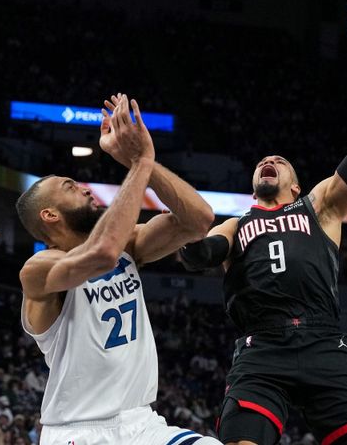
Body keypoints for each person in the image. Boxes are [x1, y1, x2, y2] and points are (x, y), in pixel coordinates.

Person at [179, 11, 347, 445]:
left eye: (278, 160)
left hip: (323, 342)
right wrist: (194, 249)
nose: (267, 160)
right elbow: (207, 251)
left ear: (294, 184)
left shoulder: (321, 207)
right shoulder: (237, 224)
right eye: (261, 161)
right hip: (262, 349)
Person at [16, 93, 221, 445]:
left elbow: (199, 220)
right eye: (70, 187)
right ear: (49, 215)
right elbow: (101, 255)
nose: (84, 187)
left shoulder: (130, 245)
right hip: (77, 431)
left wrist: (142, 162)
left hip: (141, 422)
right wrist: (139, 162)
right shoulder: (38, 270)